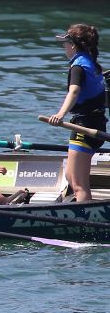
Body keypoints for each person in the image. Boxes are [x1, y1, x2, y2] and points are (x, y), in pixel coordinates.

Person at [44, 24, 106, 202]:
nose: (64, 47)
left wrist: (60, 115)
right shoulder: (92, 63)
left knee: (79, 185)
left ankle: (85, 217)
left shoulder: (78, 66)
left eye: (65, 43)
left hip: (84, 127)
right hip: (94, 123)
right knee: (70, 176)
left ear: (73, 45)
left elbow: (74, 91)